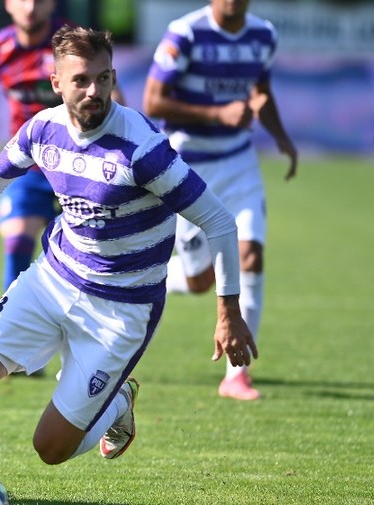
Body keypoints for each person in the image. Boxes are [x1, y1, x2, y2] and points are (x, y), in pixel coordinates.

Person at [0, 26, 255, 505]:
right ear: (56, 82)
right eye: (81, 80)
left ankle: (118, 401)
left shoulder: (142, 149)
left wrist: (228, 312)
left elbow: (219, 221)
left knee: (50, 449)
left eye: (103, 78)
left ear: (114, 76)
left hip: (121, 310)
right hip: (52, 280)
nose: (94, 91)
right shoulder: (42, 129)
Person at [143, 0, 297, 400]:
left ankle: (236, 375)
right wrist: (217, 114)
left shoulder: (263, 35)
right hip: (189, 166)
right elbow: (153, 101)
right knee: (198, 279)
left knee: (251, 255)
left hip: (239, 162)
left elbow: (261, 91)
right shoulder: (186, 33)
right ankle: (142, 277)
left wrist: (280, 136)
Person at [0, 0, 125, 299]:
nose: (31, 6)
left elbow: (111, 93)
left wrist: (121, 151)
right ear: (8, 4)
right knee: (17, 241)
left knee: (91, 255)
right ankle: (12, 321)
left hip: (80, 165)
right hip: (28, 165)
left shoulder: (74, 44)